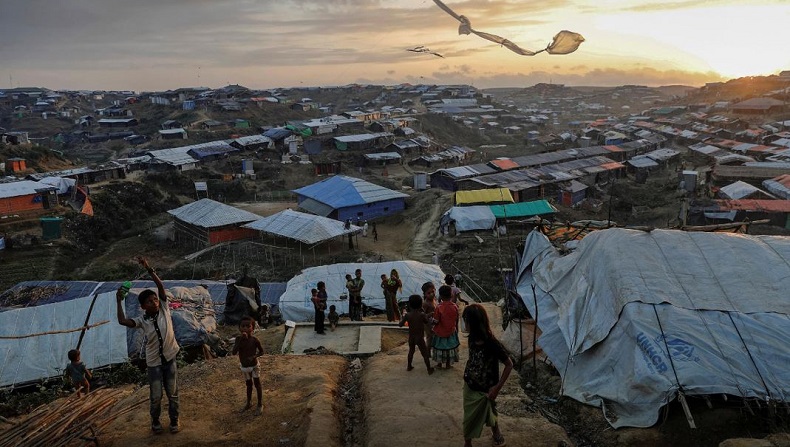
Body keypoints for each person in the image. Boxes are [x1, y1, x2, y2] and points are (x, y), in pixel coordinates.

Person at [116, 256, 181, 434]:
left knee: (173, 393)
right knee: (156, 396)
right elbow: (122, 321)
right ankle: (155, 421)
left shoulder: (164, 309)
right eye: (150, 301)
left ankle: (174, 420)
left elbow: (160, 286)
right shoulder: (141, 321)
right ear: (143, 307)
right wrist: (118, 301)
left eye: (155, 299)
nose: (155, 302)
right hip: (153, 363)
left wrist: (148, 268)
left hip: (170, 358)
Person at [461, 304, 513, 447]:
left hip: (487, 388)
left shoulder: (492, 343)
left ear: (474, 323)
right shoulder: (471, 338)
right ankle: (468, 442)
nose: (464, 324)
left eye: (466, 321)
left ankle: (496, 432)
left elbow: (509, 364)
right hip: (470, 384)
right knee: (469, 416)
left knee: (489, 409)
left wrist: (497, 388)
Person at [232, 316, 264, 415]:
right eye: (243, 326)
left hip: (254, 365)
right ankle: (249, 403)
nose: (245, 328)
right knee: (248, 385)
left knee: (257, 384)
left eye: (248, 326)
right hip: (245, 367)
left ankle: (260, 404)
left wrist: (254, 356)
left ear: (252, 328)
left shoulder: (254, 340)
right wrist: (240, 341)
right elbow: (234, 352)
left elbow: (261, 352)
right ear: (239, 328)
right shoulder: (238, 339)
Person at [399, 295, 435, 375]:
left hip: (411, 337)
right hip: (419, 338)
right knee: (425, 354)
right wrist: (428, 315)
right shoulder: (421, 314)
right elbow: (426, 321)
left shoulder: (407, 315)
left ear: (410, 304)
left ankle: (409, 366)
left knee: (411, 351)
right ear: (420, 305)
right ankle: (429, 369)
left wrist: (402, 318)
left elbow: (400, 324)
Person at [432, 285, 460, 369]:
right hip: (451, 331)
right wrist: (456, 328)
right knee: (449, 348)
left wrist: (431, 320)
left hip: (440, 332)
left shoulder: (439, 307)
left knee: (440, 348)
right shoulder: (455, 306)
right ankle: (448, 364)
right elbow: (456, 319)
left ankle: (439, 364)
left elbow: (436, 321)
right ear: (451, 295)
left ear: (440, 296)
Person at [421, 282, 437, 356]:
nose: (431, 294)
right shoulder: (425, 303)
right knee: (429, 338)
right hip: (428, 324)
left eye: (433, 292)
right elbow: (422, 315)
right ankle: (427, 353)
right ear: (424, 294)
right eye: (428, 293)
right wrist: (430, 314)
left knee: (434, 337)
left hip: (433, 322)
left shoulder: (434, 300)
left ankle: (432, 352)